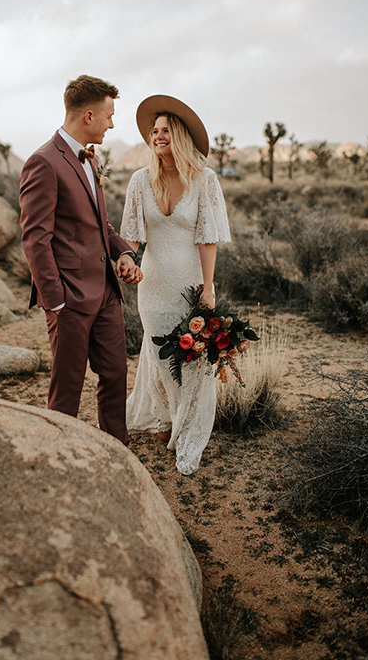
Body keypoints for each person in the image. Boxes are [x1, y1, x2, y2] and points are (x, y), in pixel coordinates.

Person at [19, 74, 142, 445]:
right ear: (88, 116)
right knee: (67, 389)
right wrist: (55, 300)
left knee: (115, 376)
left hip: (106, 292)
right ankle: (59, 459)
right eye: (108, 115)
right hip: (69, 298)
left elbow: (97, 223)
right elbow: (35, 239)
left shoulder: (91, 159)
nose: (112, 123)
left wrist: (124, 252)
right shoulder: (43, 162)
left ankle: (117, 455)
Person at [120, 95, 231, 474]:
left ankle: (188, 431)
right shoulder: (139, 180)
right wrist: (128, 259)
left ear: (179, 135)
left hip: (189, 285)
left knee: (194, 360)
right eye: (154, 131)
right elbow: (132, 235)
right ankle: (168, 417)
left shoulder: (205, 180)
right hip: (151, 289)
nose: (158, 136)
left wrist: (208, 287)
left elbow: (208, 238)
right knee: (162, 359)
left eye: (165, 130)